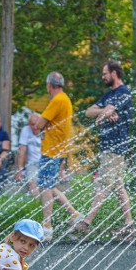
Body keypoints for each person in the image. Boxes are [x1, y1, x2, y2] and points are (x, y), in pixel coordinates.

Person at [74, 61, 134, 234]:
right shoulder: (109, 95)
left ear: (114, 73)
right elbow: (88, 112)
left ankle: (86, 222)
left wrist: (103, 114)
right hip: (107, 146)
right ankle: (129, 224)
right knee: (118, 186)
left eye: (105, 74)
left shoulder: (123, 92)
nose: (103, 77)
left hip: (115, 146)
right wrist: (104, 112)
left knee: (103, 184)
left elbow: (103, 114)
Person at [31, 72, 82, 242]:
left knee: (45, 187)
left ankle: (47, 227)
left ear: (49, 85)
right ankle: (74, 214)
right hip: (58, 150)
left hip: (52, 150)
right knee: (49, 186)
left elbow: (39, 124)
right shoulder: (66, 99)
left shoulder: (57, 100)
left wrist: (39, 124)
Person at [16, 113, 42, 198]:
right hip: (32, 163)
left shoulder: (47, 130)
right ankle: (37, 203)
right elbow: (21, 152)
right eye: (32, 124)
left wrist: (61, 171)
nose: (34, 127)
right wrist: (19, 170)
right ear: (28, 124)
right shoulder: (26, 130)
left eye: (36, 124)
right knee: (32, 180)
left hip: (45, 161)